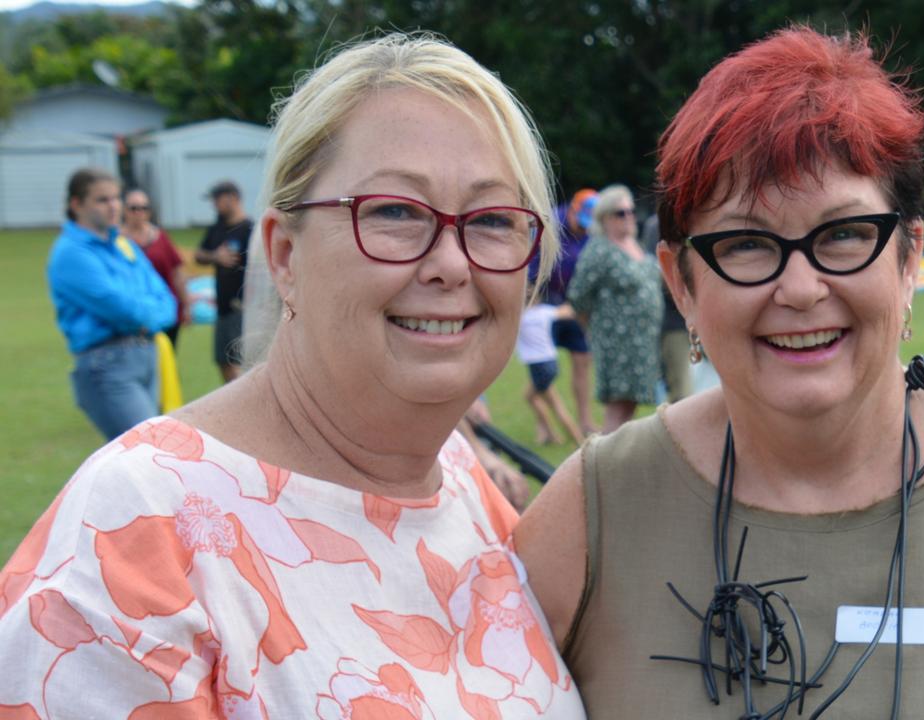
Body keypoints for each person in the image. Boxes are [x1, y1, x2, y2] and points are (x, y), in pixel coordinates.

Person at [517, 27, 924, 719]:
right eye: (747, 243)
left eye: (842, 234)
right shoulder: (595, 509)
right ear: (681, 283)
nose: (801, 288)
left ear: (907, 258)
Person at [0, 34, 585, 718]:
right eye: (395, 212)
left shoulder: (462, 482)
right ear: (283, 255)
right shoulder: (137, 532)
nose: (452, 263)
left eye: (491, 220)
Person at [45, 168, 177, 441]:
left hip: (146, 355)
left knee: (147, 457)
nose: (114, 206)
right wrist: (149, 312)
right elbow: (121, 309)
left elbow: (167, 299)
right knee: (148, 450)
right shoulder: (71, 253)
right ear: (76, 204)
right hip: (108, 364)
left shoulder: (121, 244)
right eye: (102, 200)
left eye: (116, 198)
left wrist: (148, 314)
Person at [566, 184, 664, 433]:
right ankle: (605, 460)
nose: (629, 216)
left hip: (643, 341)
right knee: (619, 405)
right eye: (621, 213)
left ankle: (616, 457)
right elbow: (578, 295)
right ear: (605, 217)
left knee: (630, 403)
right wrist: (593, 327)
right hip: (617, 342)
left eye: (631, 211)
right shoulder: (599, 249)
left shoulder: (634, 243)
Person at [529, 188, 598, 435]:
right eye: (581, 223)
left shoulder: (592, 232)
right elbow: (532, 269)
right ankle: (543, 423)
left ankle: (585, 421)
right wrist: (533, 308)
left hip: (573, 304)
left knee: (582, 360)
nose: (583, 229)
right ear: (572, 209)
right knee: (543, 364)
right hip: (544, 302)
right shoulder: (548, 226)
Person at [195, 180, 253, 383]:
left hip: (241, 309)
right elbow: (199, 255)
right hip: (222, 309)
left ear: (233, 198)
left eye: (217, 199)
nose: (214, 205)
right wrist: (215, 257)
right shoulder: (217, 228)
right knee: (223, 362)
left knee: (240, 363)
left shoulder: (250, 229)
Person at [122, 188, 189, 347]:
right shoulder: (117, 241)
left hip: (164, 311)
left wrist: (186, 305)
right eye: (133, 208)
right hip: (132, 314)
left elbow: (177, 272)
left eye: (143, 208)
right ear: (125, 211)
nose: (139, 212)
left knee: (165, 360)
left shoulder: (161, 238)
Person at [517, 298, 586, 446]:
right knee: (532, 397)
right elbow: (567, 312)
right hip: (550, 362)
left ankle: (578, 440)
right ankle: (552, 435)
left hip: (538, 366)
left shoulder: (520, 318)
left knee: (554, 404)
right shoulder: (544, 312)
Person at [641, 211, 693, 402]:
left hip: (701, 316)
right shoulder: (657, 224)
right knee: (682, 393)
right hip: (674, 321)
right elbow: (660, 272)